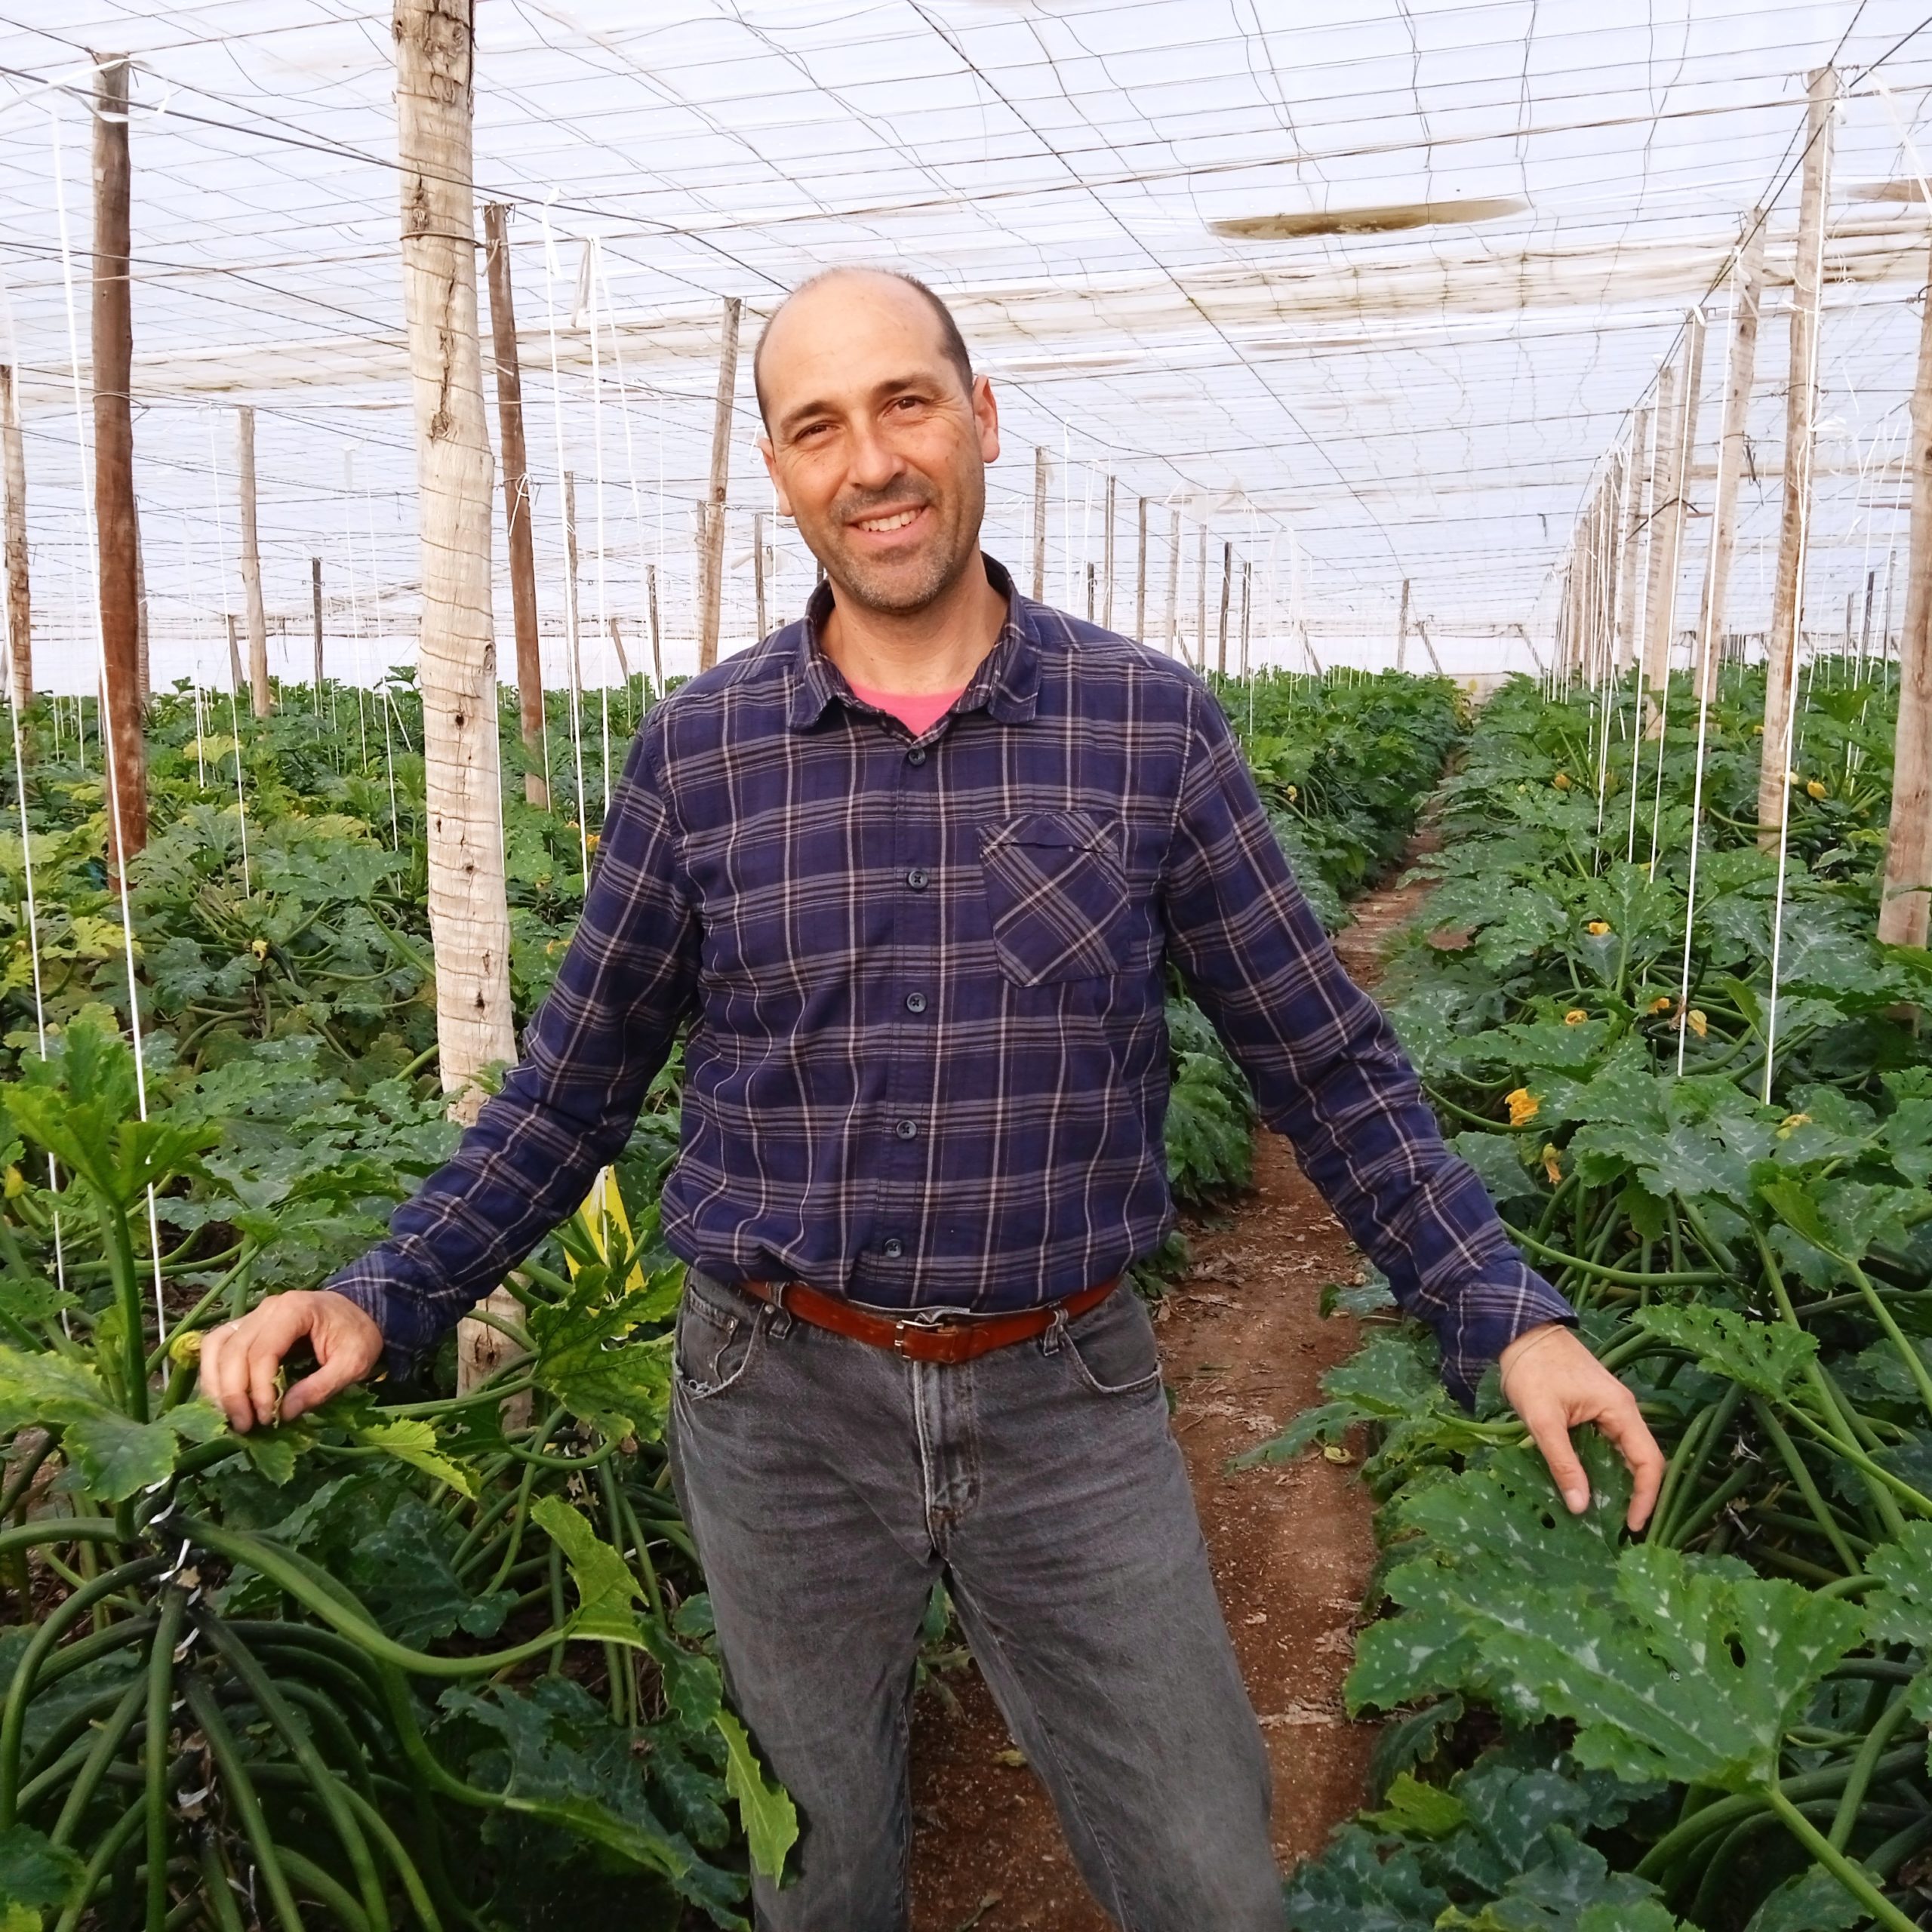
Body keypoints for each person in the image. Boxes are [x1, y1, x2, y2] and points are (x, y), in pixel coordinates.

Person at [200, 266, 1664, 1932]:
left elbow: (1320, 1059)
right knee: (818, 1883)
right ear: (779, 467)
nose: (872, 461)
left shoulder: (1144, 727)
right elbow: (568, 1094)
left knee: (1207, 1881)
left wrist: (1502, 1311)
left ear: (979, 418)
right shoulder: (701, 757)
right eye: (817, 425)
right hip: (777, 1404)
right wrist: (381, 1291)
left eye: (904, 403)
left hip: (1064, 1395)